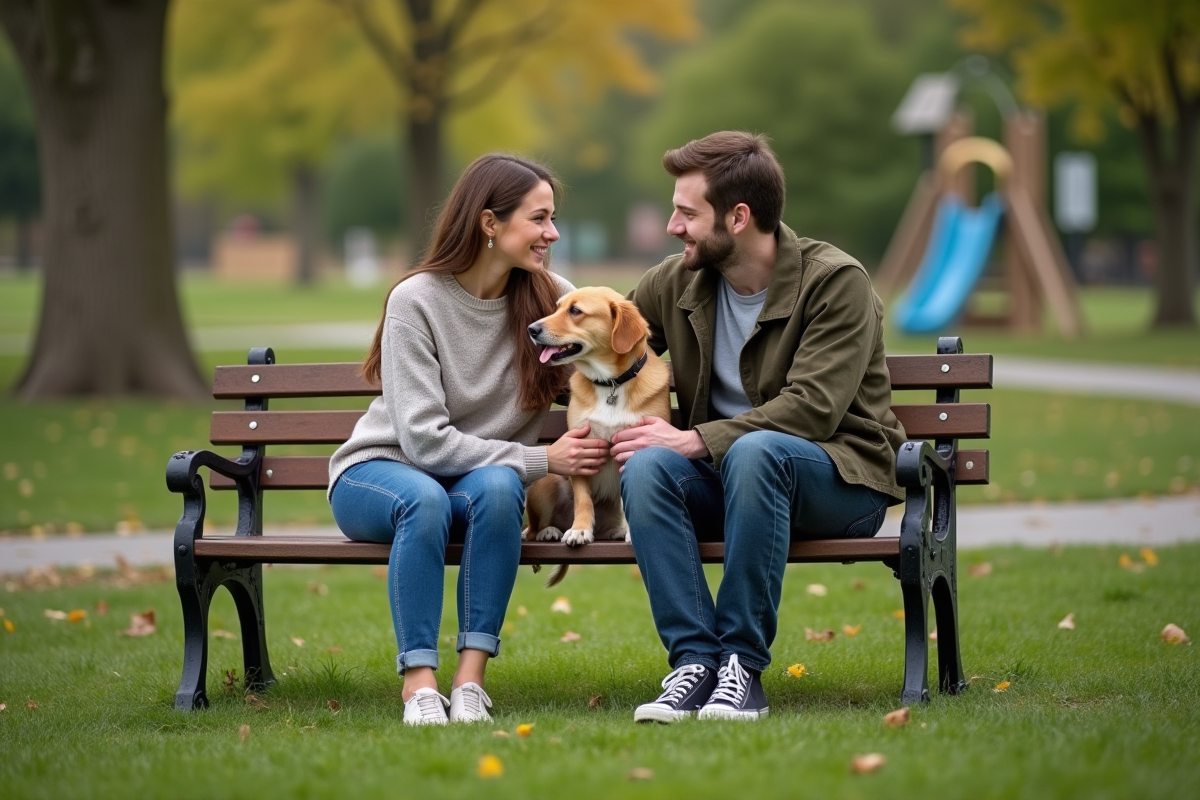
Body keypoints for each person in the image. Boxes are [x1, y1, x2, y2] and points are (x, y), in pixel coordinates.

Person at [610, 131, 907, 722]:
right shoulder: (675, 283)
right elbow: (604, 343)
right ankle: (694, 665)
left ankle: (742, 668)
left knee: (756, 451)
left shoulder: (835, 282)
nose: (672, 226)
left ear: (739, 217)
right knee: (646, 464)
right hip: (731, 484)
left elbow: (814, 407)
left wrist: (695, 439)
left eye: (687, 213)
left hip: (839, 481)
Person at [327, 154, 610, 726]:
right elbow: (426, 444)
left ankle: (470, 682)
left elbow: (609, 364)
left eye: (553, 219)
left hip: (474, 485)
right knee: (425, 498)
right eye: (539, 218)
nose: (552, 233)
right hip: (380, 474)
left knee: (500, 488)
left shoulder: (552, 300)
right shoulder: (417, 301)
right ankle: (419, 684)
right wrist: (541, 458)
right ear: (489, 224)